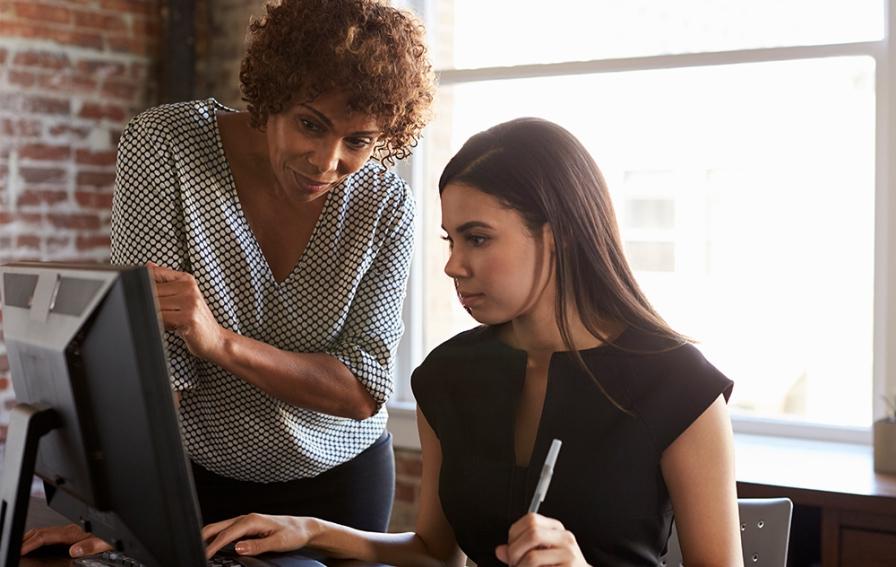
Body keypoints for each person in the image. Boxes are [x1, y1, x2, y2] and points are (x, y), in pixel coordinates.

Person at [199, 118, 744, 567]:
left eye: (478, 238)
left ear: (560, 235)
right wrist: (310, 530)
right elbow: (437, 553)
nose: (454, 265)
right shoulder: (447, 376)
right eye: (451, 240)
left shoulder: (681, 388)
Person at [21, 0, 434, 558]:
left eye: (357, 141)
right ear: (270, 96)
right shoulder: (166, 146)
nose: (325, 161)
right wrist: (117, 514)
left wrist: (219, 342)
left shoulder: (387, 206)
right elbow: (158, 362)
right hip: (195, 480)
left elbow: (363, 389)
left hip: (338, 489)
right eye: (310, 124)